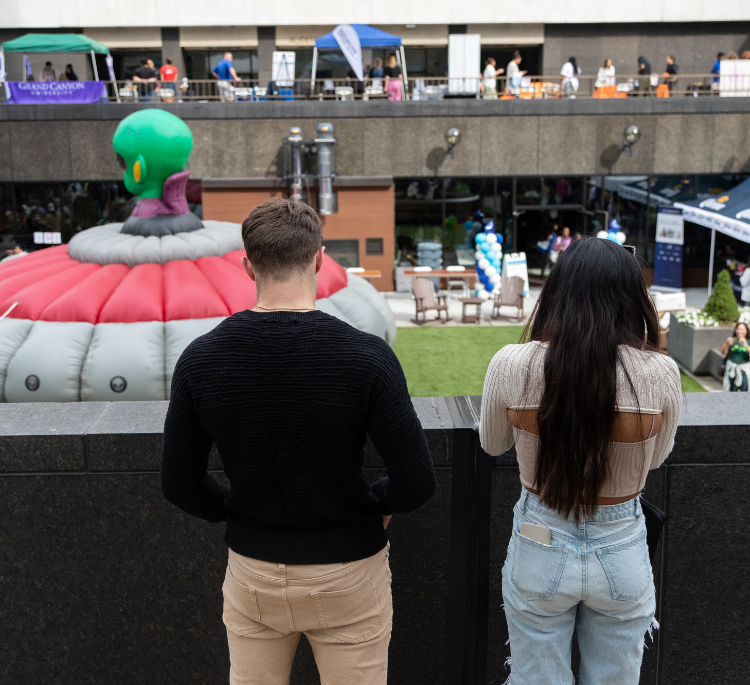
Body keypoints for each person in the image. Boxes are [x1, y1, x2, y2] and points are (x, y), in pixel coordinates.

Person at [161, 198, 436, 685]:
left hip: (253, 570)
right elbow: (416, 480)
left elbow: (180, 483)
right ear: (318, 259)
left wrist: (238, 507)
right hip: (349, 569)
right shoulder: (367, 356)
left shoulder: (200, 359)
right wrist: (377, 503)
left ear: (248, 266)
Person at [480, 237, 681, 685]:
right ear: (633, 297)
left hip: (539, 537)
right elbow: (657, 458)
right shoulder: (659, 373)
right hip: (623, 543)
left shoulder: (512, 363)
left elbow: (492, 444)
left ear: (557, 290)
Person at [721, 322, 750, 391]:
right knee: (732, 391)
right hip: (732, 369)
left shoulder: (748, 341)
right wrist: (727, 345)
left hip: (744, 370)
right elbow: (723, 353)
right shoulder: (732, 340)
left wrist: (745, 344)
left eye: (742, 329)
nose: (739, 331)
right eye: (738, 329)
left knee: (745, 391)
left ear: (746, 331)